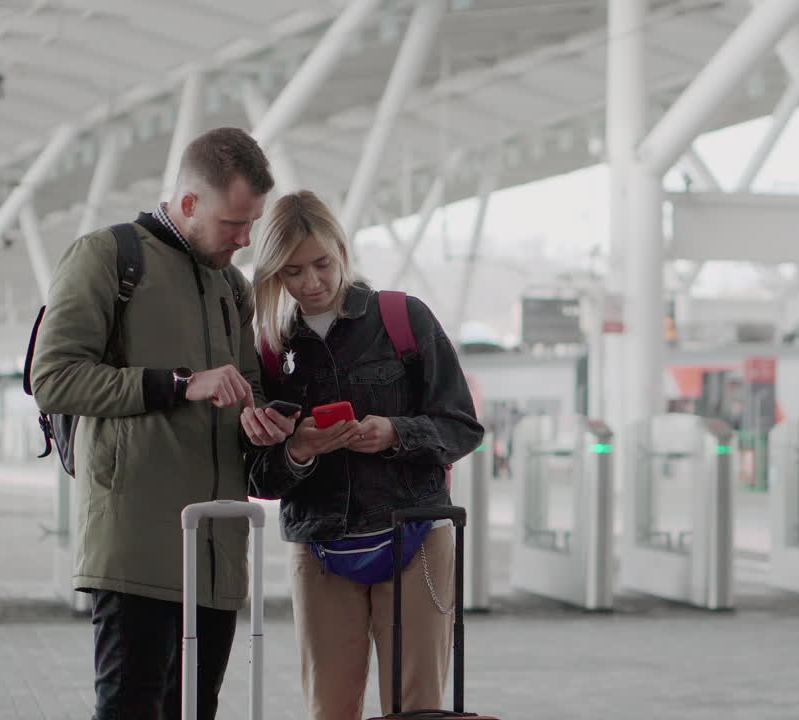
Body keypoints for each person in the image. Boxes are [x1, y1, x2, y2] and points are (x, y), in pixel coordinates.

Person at [30, 127, 294, 719]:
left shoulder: (232, 285)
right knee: (131, 710)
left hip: (217, 551)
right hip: (136, 552)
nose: (246, 239)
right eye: (234, 224)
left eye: (252, 223)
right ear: (191, 203)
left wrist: (262, 419)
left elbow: (246, 389)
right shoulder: (107, 257)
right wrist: (177, 383)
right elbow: (54, 378)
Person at [242, 191, 484, 719]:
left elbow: (462, 425)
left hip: (415, 537)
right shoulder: (268, 349)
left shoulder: (402, 318)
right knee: (329, 707)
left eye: (322, 263)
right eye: (292, 272)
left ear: (343, 249)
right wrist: (300, 449)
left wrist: (395, 433)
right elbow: (256, 475)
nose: (311, 283)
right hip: (320, 549)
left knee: (416, 709)